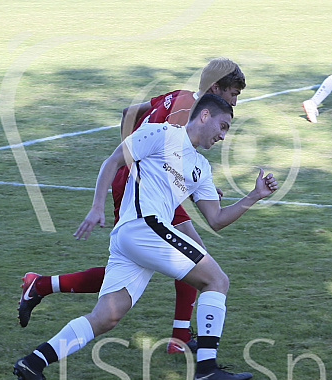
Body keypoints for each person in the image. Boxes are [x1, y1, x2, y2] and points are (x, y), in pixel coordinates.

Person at [13, 93, 278, 380]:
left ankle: (32, 363)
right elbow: (113, 161)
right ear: (204, 116)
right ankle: (206, 369)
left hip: (136, 238)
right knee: (217, 281)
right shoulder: (160, 132)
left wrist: (254, 196)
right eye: (223, 126)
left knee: (106, 317)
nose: (223, 135)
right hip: (143, 227)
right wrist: (97, 206)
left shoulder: (201, 168)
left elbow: (215, 219)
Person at [17, 58, 246, 355]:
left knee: (139, 262)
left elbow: (130, 113)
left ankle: (43, 287)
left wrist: (137, 154)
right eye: (233, 95)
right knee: (194, 259)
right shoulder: (190, 110)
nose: (235, 103)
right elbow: (172, 158)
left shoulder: (177, 95)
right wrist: (171, 176)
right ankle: (181, 340)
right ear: (215, 89)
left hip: (132, 179)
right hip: (143, 190)